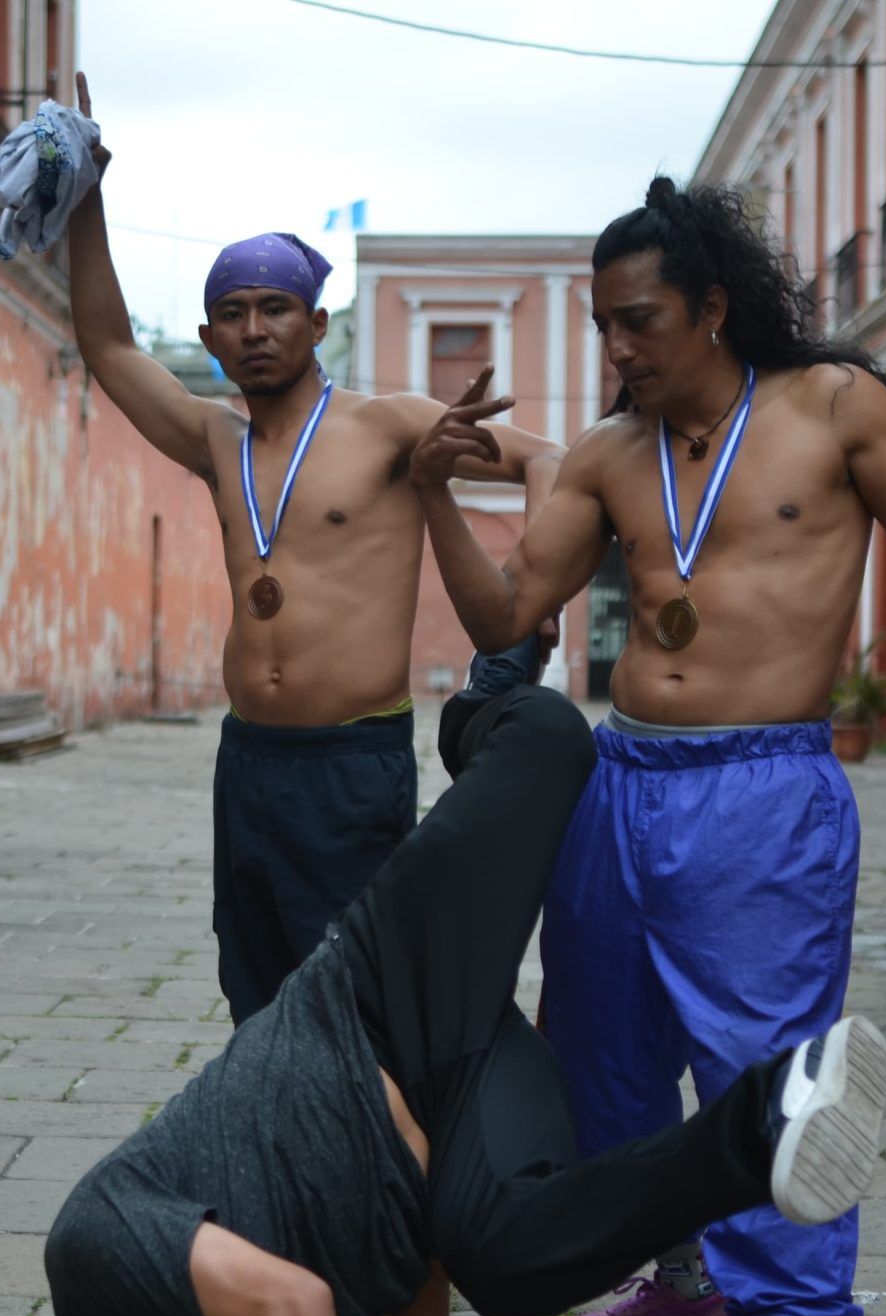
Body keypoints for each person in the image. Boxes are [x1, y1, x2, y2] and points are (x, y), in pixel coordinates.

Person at [0, 684, 886, 1316]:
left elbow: (297, 1309)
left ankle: (488, 702)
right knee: (513, 1266)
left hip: (385, 994)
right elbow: (406, 1270)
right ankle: (771, 1125)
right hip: (470, 1102)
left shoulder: (94, 1256)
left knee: (552, 744)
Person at [407, 176, 886, 1316]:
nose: (620, 349)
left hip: (764, 792)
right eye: (605, 325)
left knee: (776, 1078)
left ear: (712, 306)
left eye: (640, 321)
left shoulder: (832, 410)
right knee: (608, 1057)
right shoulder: (604, 453)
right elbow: (509, 619)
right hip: (620, 785)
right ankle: (681, 1277)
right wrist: (431, 500)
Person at [63, 76, 560, 1024]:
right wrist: (88, 196)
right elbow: (109, 346)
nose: (255, 329)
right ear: (209, 336)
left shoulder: (387, 427)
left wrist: (523, 610)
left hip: (353, 763)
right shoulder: (217, 443)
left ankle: (369, 1168)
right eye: (235, 314)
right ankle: (283, 1166)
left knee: (354, 1003)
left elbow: (556, 464)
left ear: (316, 323)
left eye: (275, 308)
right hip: (248, 761)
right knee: (255, 995)